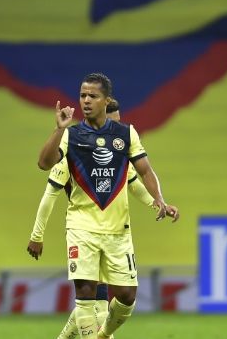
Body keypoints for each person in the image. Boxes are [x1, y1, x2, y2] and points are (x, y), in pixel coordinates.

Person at [36, 73, 179, 339]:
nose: (86, 101)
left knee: (126, 297)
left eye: (92, 96)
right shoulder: (71, 135)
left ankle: (101, 336)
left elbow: (144, 172)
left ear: (106, 100)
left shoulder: (125, 134)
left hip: (118, 231)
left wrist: (158, 199)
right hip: (82, 228)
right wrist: (58, 129)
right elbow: (44, 163)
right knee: (87, 295)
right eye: (82, 95)